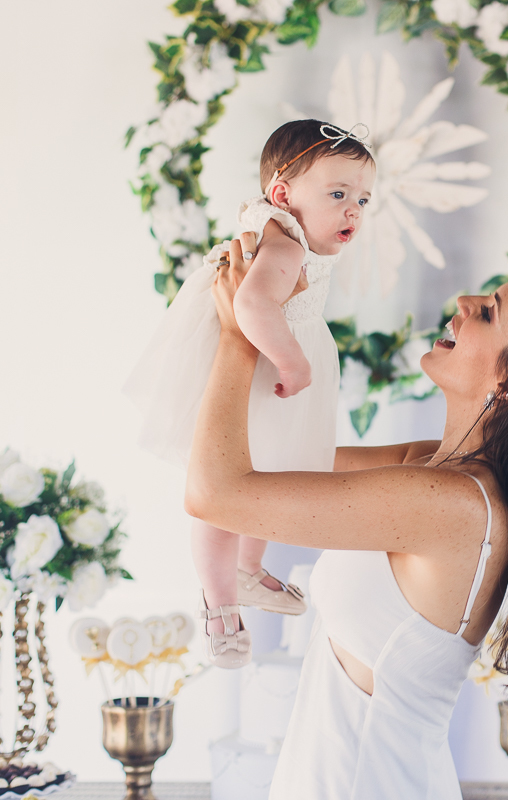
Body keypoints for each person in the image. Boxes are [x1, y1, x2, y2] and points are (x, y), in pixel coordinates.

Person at [186, 235, 508, 798]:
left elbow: (216, 493)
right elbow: (260, 453)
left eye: (489, 311)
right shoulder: (431, 469)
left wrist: (240, 335)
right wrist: (272, 317)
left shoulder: (453, 505)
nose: (464, 300)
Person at [125, 120, 375, 667]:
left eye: (362, 197)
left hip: (264, 376)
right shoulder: (283, 245)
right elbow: (252, 306)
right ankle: (220, 607)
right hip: (256, 376)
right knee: (224, 498)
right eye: (337, 194)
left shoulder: (289, 237)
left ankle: (245, 571)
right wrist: (291, 358)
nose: (353, 209)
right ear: (283, 194)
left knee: (264, 481)